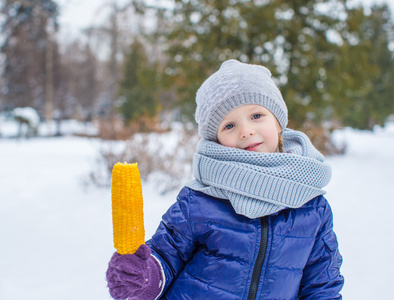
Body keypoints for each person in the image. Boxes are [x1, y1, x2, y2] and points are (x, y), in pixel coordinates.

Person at [106, 59, 344, 299]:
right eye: (229, 125)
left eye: (257, 115)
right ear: (216, 140)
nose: (246, 131)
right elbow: (165, 257)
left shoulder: (312, 206)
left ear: (279, 122)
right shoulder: (199, 199)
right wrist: (142, 277)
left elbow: (321, 287)